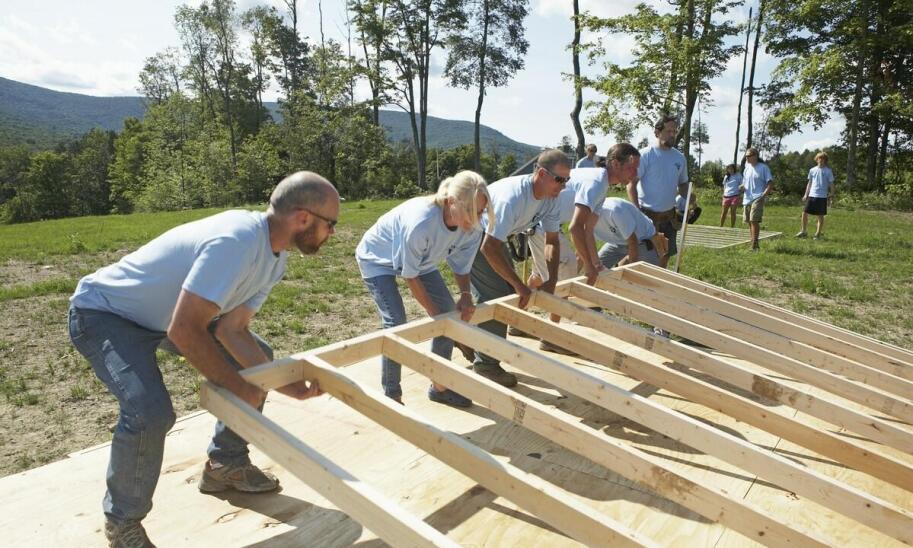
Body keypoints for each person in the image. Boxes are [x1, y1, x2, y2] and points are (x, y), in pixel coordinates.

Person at [67, 171, 337, 548]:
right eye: (332, 224)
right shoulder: (237, 242)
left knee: (261, 367)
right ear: (304, 218)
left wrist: (282, 382)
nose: (333, 233)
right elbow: (185, 331)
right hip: (106, 315)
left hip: (165, 319)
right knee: (149, 411)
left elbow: (233, 330)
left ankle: (225, 465)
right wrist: (240, 386)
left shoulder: (275, 260)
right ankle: (122, 523)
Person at [356, 171, 494, 407]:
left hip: (421, 261)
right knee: (395, 323)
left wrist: (465, 295)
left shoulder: (473, 228)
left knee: (449, 314)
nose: (477, 218)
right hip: (377, 258)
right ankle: (392, 396)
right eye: (472, 211)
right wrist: (434, 313)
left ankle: (439, 387)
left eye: (481, 211)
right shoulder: (421, 223)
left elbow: (461, 266)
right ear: (452, 202)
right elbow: (410, 277)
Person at [469, 149, 569, 387]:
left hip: (493, 238)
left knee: (504, 289)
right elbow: (488, 247)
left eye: (567, 180)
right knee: (497, 296)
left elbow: (552, 241)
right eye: (559, 179)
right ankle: (486, 365)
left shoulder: (552, 198)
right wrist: (519, 286)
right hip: (469, 235)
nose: (563, 185)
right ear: (542, 174)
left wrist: (551, 280)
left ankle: (463, 336)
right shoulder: (513, 197)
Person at [628, 115, 690, 268]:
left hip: (669, 217)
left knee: (665, 255)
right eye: (669, 131)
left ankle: (656, 288)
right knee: (638, 255)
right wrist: (637, 213)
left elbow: (683, 184)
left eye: (674, 131)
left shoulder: (679, 158)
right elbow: (631, 184)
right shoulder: (645, 155)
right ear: (657, 132)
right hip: (646, 215)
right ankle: (620, 277)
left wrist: (689, 197)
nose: (672, 134)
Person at [595, 197, 669, 269]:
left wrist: (632, 270)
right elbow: (584, 250)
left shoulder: (615, 211)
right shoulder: (584, 221)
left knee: (645, 277)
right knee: (596, 268)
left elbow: (633, 241)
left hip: (642, 240)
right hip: (617, 241)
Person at [797, 151, 835, 240]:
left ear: (826, 160)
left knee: (820, 215)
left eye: (823, 159)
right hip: (812, 195)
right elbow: (809, 183)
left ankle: (817, 234)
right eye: (819, 158)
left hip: (822, 196)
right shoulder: (812, 170)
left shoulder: (828, 171)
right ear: (816, 159)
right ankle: (803, 231)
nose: (821, 160)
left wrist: (832, 195)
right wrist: (806, 194)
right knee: (804, 213)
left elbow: (831, 184)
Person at [742, 148, 774, 251]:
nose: (746, 157)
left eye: (749, 155)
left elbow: (770, 183)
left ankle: (755, 245)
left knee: (754, 220)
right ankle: (752, 242)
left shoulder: (763, 168)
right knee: (749, 221)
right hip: (747, 198)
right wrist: (741, 187)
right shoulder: (746, 168)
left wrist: (763, 195)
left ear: (755, 156)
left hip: (758, 197)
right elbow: (744, 182)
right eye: (746, 155)